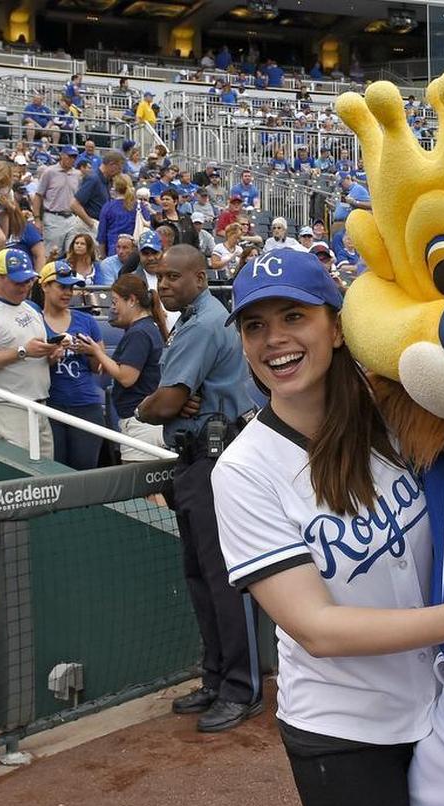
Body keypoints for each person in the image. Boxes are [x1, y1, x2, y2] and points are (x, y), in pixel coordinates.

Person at [212, 249, 444, 806]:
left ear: (335, 326)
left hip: (442, 710)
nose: (274, 340)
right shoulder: (245, 470)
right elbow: (317, 628)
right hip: (345, 733)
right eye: (255, 326)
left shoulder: (395, 415)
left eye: (293, 317)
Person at [135, 245, 258, 732]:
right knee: (200, 576)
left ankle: (240, 687)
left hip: (214, 460)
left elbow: (166, 405)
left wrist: (149, 406)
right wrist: (168, 402)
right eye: (159, 277)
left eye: (173, 276)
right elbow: (174, 401)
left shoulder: (205, 322)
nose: (163, 285)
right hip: (197, 459)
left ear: (201, 279)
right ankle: (215, 677)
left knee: (224, 578)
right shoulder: (194, 318)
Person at [0, 249, 62, 457]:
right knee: (22, 478)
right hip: (6, 407)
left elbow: (41, 351)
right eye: (18, 282)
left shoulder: (32, 307)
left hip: (39, 404)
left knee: (47, 478)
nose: (25, 286)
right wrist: (23, 351)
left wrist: (52, 353)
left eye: (28, 281)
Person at [74, 274, 167, 461]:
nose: (113, 307)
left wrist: (97, 351)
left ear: (131, 300)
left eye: (116, 301)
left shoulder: (139, 332)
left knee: (141, 488)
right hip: (143, 421)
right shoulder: (144, 328)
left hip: (140, 425)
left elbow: (127, 377)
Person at [33, 261, 105, 469]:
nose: (68, 293)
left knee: (85, 473)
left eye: (71, 288)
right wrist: (51, 355)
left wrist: (92, 351)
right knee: (54, 472)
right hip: (50, 405)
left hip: (85, 405)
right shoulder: (33, 320)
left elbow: (97, 368)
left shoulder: (86, 321)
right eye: (62, 287)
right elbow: (26, 365)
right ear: (45, 286)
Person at [33, 145, 83, 256]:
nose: (72, 159)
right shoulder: (49, 172)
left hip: (71, 218)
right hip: (53, 217)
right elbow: (38, 196)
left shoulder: (78, 174)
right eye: (70, 156)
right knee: (52, 254)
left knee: (73, 254)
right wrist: (37, 219)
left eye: (75, 157)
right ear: (62, 155)